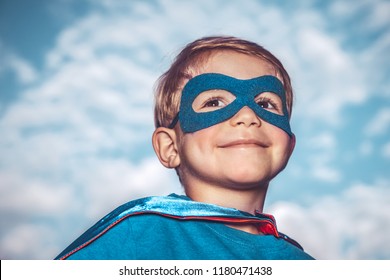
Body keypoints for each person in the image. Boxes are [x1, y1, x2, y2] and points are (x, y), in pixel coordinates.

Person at [55, 36, 314, 260]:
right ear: (170, 147)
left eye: (266, 103)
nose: (247, 115)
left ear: (288, 145)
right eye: (214, 102)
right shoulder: (138, 235)